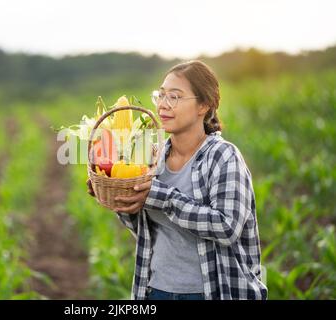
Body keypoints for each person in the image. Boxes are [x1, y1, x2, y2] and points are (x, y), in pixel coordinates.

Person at [87, 60, 267, 300]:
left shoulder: (223, 156)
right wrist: (122, 198)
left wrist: (162, 197)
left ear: (204, 104)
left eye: (174, 97)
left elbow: (227, 227)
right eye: (160, 96)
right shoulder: (152, 158)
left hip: (212, 292)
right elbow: (146, 233)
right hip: (156, 290)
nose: (163, 104)